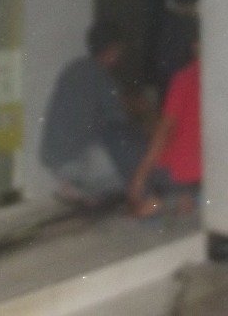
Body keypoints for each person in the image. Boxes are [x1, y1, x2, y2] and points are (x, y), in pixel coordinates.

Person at [39, 20, 142, 207]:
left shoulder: (73, 68)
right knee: (134, 163)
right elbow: (119, 122)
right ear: (113, 50)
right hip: (78, 162)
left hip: (53, 159)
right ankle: (88, 188)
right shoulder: (102, 77)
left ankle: (75, 186)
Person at [128, 28, 201, 217]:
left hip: (179, 173)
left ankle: (162, 201)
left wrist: (140, 176)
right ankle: (183, 198)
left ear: (195, 46)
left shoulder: (184, 78)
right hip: (207, 174)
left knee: (141, 182)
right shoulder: (223, 82)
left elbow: (164, 130)